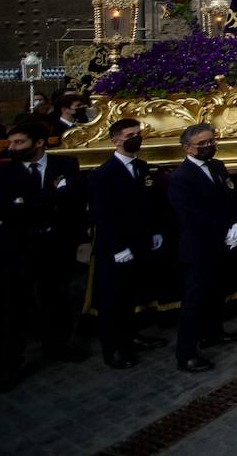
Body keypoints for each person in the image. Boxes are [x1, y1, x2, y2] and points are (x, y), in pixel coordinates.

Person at [0, 120, 87, 391]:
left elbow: (72, 204)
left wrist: (29, 205)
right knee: (11, 308)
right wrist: (47, 203)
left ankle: (58, 345)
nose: (12, 147)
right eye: (11, 142)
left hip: (54, 246)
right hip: (15, 249)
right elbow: (4, 211)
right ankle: (8, 365)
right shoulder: (1, 174)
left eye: (19, 142)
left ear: (39, 143)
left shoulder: (66, 166)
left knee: (56, 298)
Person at [165, 123, 237, 373]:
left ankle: (214, 332)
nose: (210, 146)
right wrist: (224, 229)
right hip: (199, 247)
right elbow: (192, 216)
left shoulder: (217, 166)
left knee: (216, 292)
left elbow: (229, 197)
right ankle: (186, 353)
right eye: (203, 144)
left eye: (212, 141)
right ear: (187, 148)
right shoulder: (181, 178)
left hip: (220, 243)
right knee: (195, 300)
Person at [90, 118, 167, 369]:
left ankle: (131, 335)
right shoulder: (104, 174)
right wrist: (117, 247)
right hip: (116, 248)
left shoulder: (142, 167)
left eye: (138, 133)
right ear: (116, 140)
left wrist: (154, 231)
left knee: (131, 294)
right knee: (113, 300)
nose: (137, 138)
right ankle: (113, 349)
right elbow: (103, 215)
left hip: (139, 241)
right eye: (130, 135)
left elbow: (149, 205)